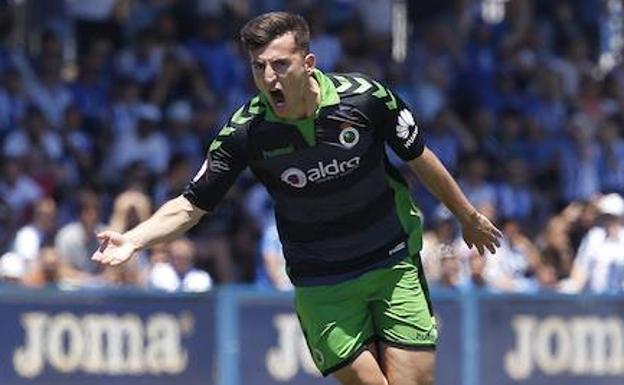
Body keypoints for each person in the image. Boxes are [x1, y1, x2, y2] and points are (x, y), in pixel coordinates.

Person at [92, 12, 502, 385]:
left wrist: (466, 216)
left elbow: (420, 159)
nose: (270, 77)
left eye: (280, 64)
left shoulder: (366, 100)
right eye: (259, 67)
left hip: (391, 261)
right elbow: (190, 205)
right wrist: (134, 240)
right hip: (322, 281)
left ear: (308, 64)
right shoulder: (246, 132)